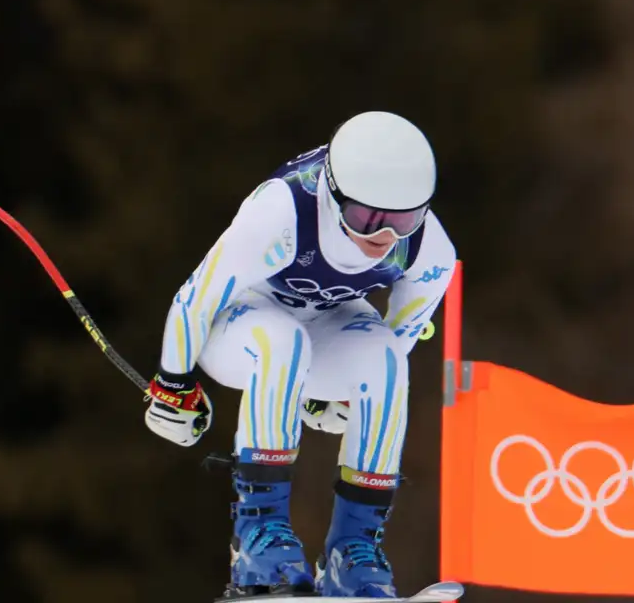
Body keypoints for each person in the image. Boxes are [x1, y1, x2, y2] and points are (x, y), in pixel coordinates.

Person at [142, 111, 457, 599]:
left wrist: (346, 398)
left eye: (403, 220)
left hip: (327, 320)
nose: (385, 236)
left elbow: (397, 338)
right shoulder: (282, 211)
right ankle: (258, 542)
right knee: (282, 344)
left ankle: (351, 553)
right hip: (240, 318)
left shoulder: (428, 250)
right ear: (333, 194)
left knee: (390, 362)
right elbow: (197, 297)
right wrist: (174, 384)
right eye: (367, 218)